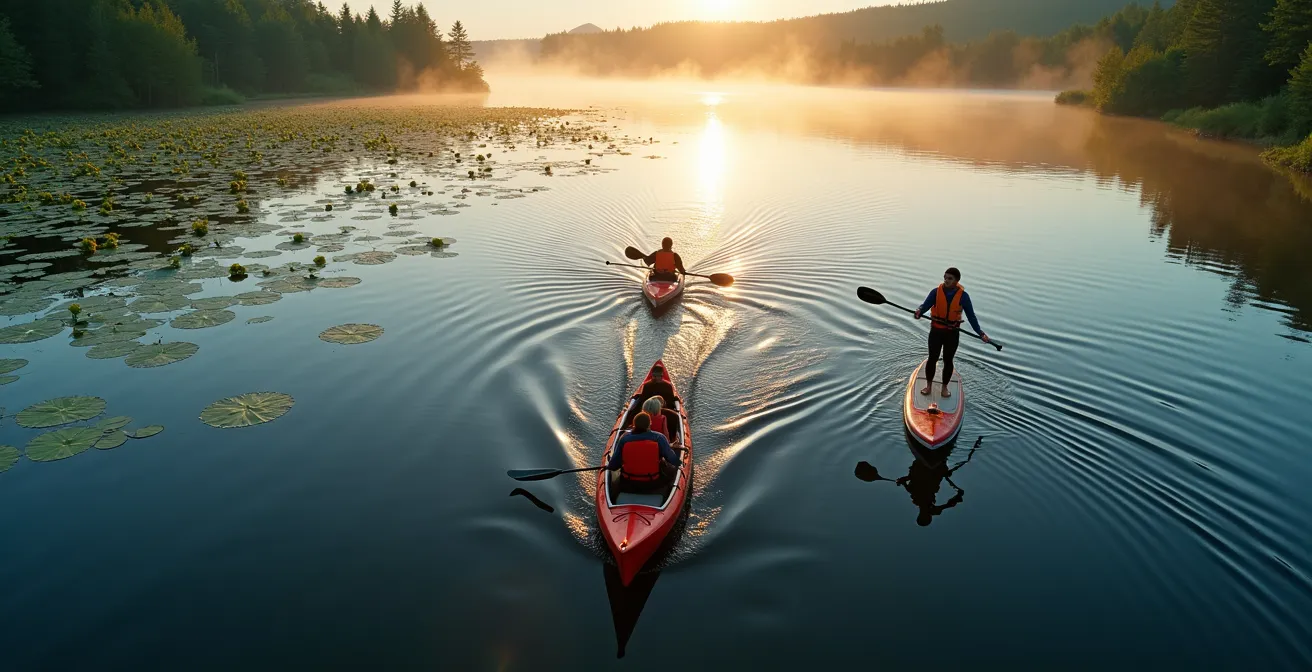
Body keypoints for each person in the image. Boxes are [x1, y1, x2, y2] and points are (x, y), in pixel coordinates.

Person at [913, 267, 989, 398]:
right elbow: (924, 306)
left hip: (952, 334)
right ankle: (928, 386)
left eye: (950, 278)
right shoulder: (935, 292)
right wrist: (919, 311)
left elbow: (971, 317)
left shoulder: (963, 297)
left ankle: (944, 388)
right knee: (932, 358)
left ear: (957, 281)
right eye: (945, 277)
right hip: (936, 332)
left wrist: (980, 333)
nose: (946, 280)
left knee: (948, 360)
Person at [607, 411, 682, 489]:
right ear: (650, 424)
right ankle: (671, 488)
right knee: (671, 468)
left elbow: (613, 465)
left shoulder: (624, 439)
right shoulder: (659, 438)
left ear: (634, 424)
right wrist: (679, 462)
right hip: (653, 483)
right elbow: (672, 460)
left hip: (628, 483)